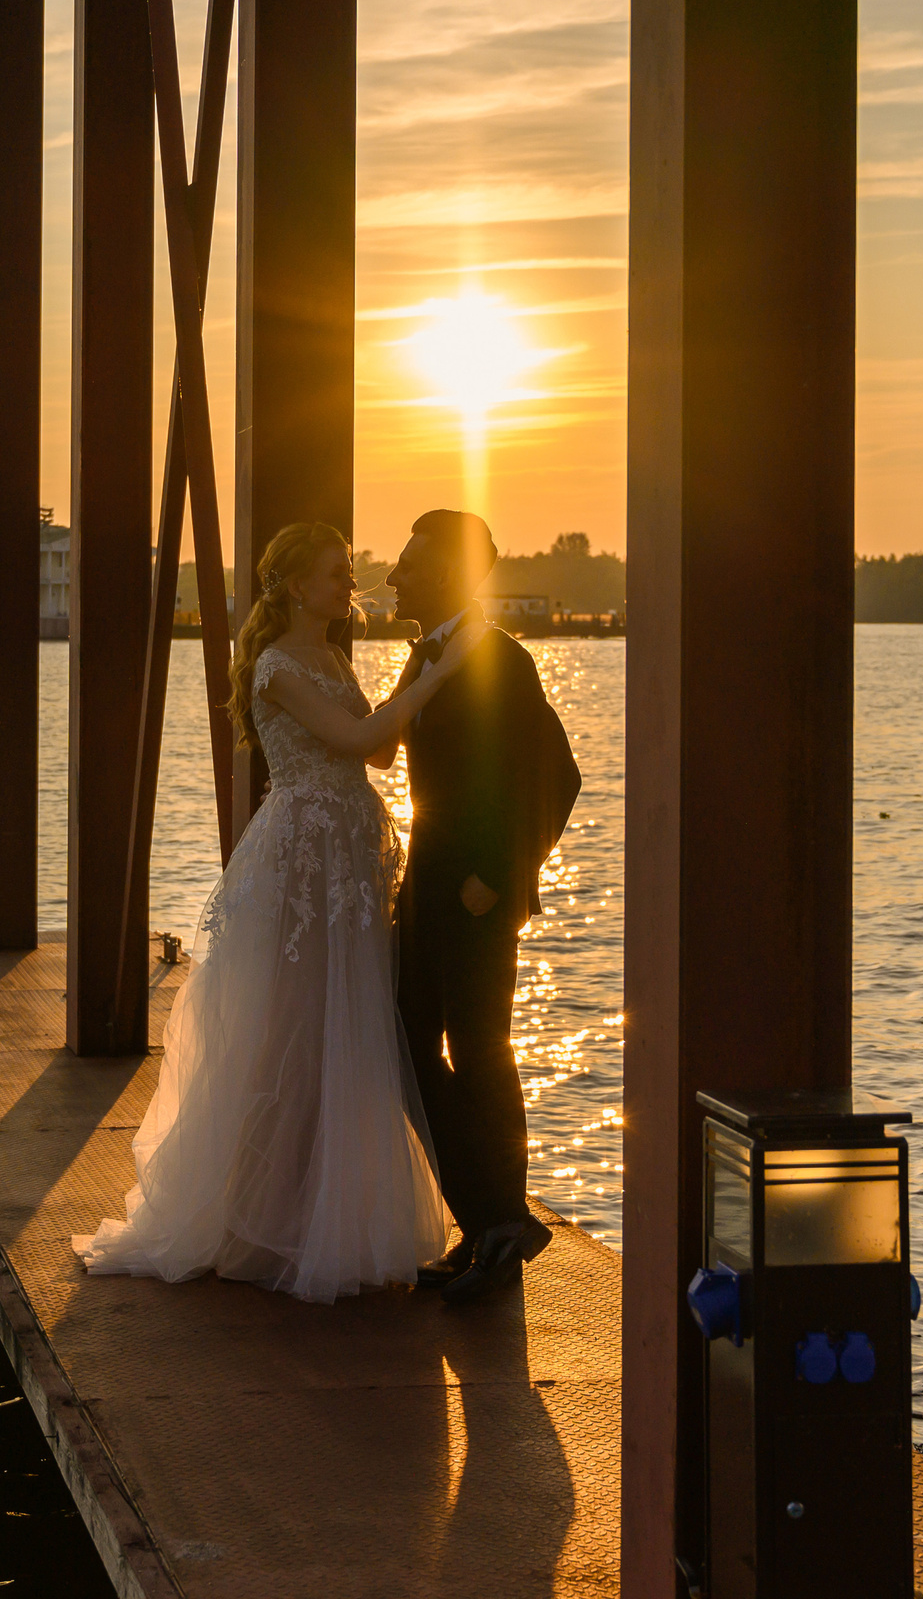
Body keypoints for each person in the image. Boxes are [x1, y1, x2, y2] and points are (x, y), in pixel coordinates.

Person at [72, 522, 484, 1303]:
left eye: (349, 576)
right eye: (335, 575)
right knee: (291, 1029)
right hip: (303, 864)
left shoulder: (332, 657)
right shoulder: (275, 665)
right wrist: (441, 672)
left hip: (348, 860)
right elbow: (361, 733)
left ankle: (324, 1215)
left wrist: (411, 674)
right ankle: (258, 1221)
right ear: (297, 585)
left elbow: (380, 754)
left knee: (346, 1028)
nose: (348, 587)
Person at [385, 509, 582, 1304]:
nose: (393, 577)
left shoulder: (505, 662)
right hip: (424, 891)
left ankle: (496, 1228)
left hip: (473, 900)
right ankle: (491, 1220)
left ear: (445, 575)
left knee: (482, 1053)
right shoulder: (424, 659)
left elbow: (556, 777)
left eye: (407, 564)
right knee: (409, 1045)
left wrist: (500, 879)